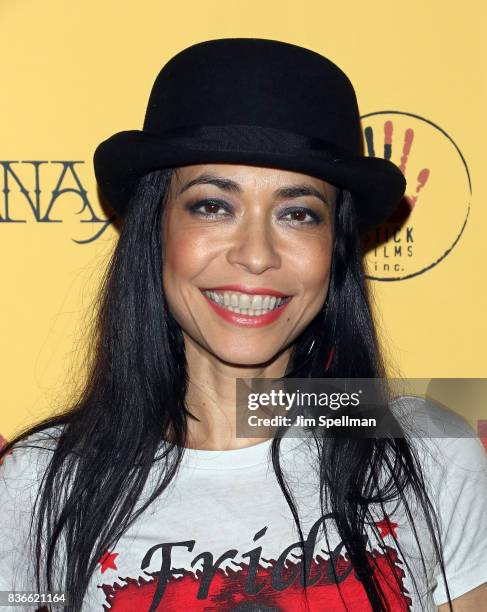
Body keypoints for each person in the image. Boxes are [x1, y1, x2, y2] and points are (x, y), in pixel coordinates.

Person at [1, 38, 486, 612]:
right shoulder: (39, 486)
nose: (256, 254)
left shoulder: (429, 449)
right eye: (213, 205)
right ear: (157, 231)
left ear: (335, 248)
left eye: (297, 213)